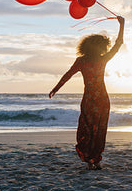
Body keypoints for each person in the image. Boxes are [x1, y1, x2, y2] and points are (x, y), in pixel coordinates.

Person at [49, 16, 125, 170]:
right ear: (100, 47)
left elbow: (67, 75)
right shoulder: (100, 60)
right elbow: (118, 44)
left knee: (90, 129)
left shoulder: (83, 61)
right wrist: (122, 25)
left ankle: (93, 160)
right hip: (101, 99)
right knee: (98, 130)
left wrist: (56, 88)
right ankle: (94, 160)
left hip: (91, 99)